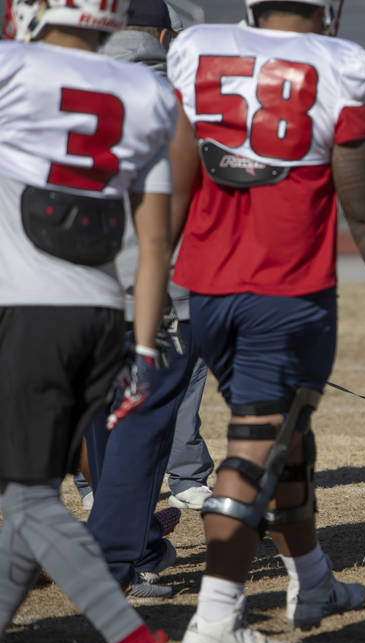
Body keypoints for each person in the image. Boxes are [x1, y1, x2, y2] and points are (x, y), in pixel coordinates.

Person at [168, 0, 365, 643]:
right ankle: (217, 612)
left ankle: (314, 582)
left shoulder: (199, 47)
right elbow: (362, 204)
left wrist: (151, 283)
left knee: (286, 434)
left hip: (208, 286)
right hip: (284, 289)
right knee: (258, 440)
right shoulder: (338, 63)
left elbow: (173, 180)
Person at [0, 1, 184, 643]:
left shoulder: (12, 66)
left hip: (30, 309)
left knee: (31, 501)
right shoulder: (146, 89)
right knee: (31, 498)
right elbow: (154, 237)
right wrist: (140, 347)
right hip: (105, 318)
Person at [76, 0, 207, 603]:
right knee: (146, 426)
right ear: (162, 35)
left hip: (71, 284)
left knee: (99, 419)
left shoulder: (70, 81)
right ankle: (126, 556)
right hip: (156, 285)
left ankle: (134, 536)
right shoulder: (173, 99)